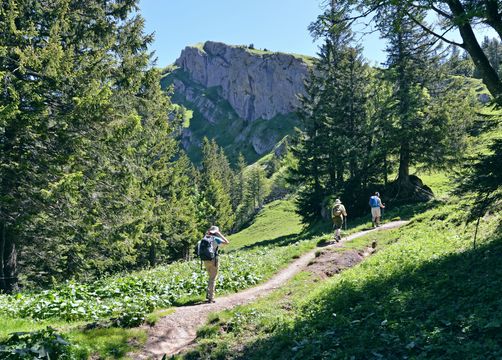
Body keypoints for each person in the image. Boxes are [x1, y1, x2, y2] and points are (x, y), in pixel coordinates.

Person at [202, 225, 229, 303]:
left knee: (210, 277)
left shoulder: (205, 238)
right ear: (216, 232)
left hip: (205, 260)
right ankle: (211, 297)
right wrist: (219, 234)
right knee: (213, 278)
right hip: (214, 260)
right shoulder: (216, 238)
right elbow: (227, 242)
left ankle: (208, 294)